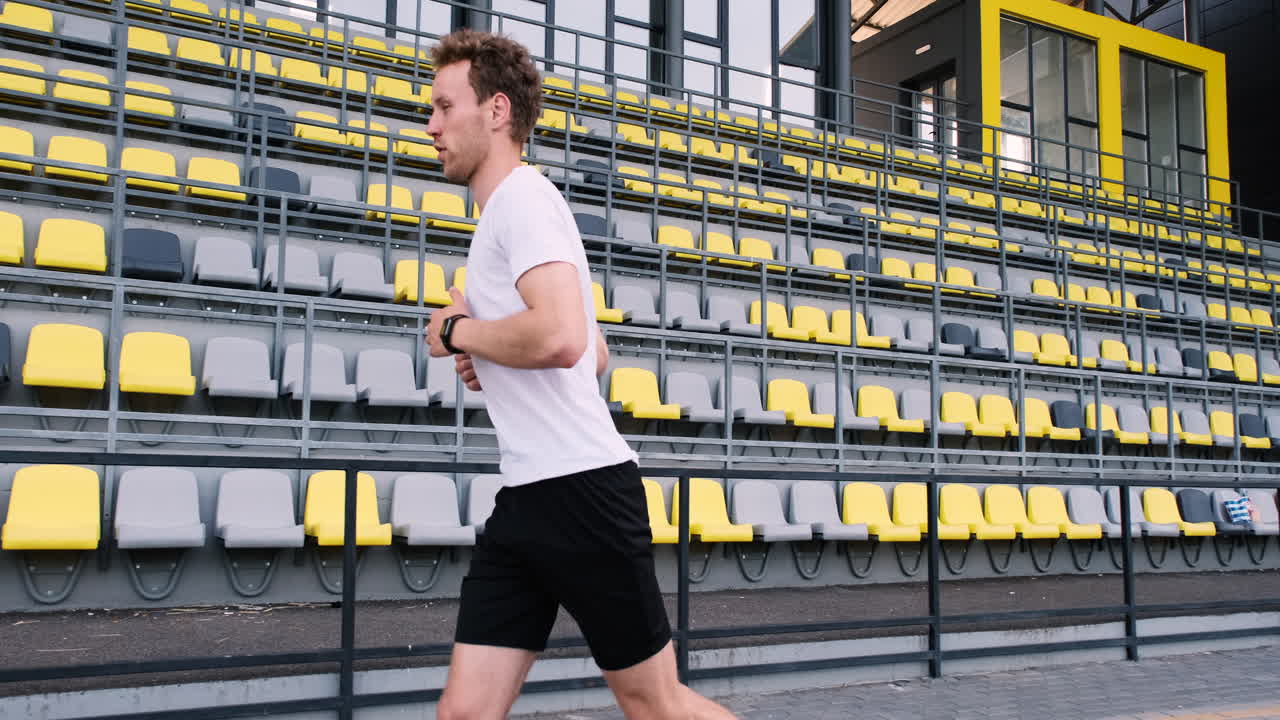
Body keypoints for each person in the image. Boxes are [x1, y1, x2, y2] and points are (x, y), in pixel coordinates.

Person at [422, 28, 738, 720]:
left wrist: (458, 332)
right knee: (463, 713)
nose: (431, 125)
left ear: (497, 111)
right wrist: (495, 351)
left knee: (655, 705)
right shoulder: (500, 219)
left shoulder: (523, 201)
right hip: (528, 498)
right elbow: (593, 353)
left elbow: (564, 339)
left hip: (584, 493)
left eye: (445, 107)